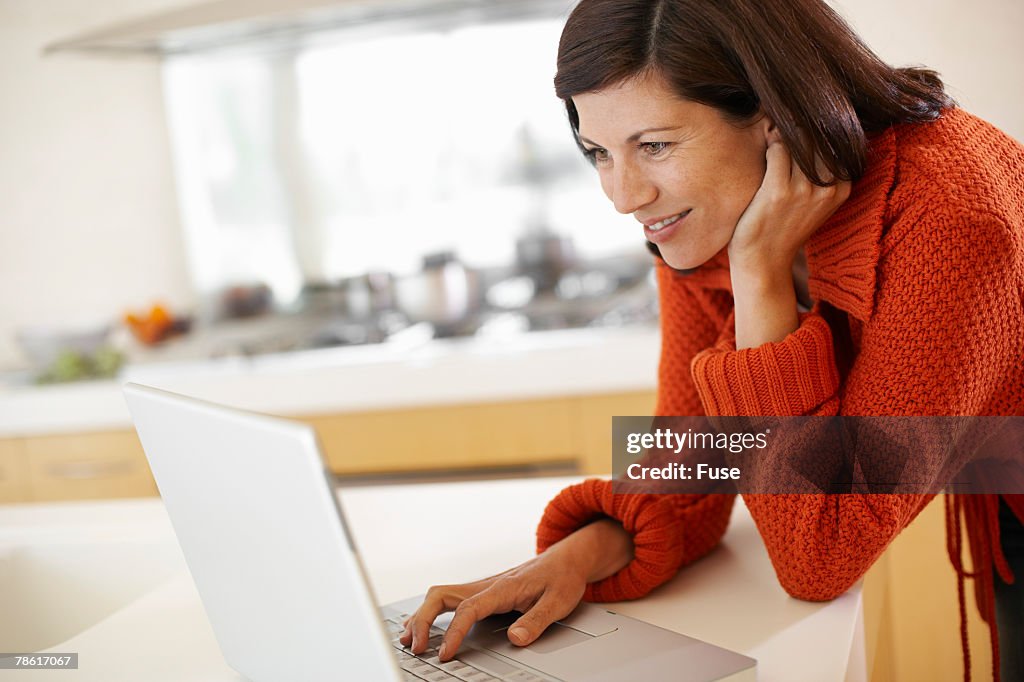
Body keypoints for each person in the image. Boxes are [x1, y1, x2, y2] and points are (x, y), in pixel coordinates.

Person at [400, 0, 1024, 679]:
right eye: (598, 153)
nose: (624, 195)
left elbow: (818, 558)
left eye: (656, 146)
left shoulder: (947, 219)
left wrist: (759, 276)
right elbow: (690, 463)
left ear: (772, 115)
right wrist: (571, 559)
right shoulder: (700, 217)